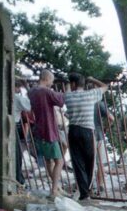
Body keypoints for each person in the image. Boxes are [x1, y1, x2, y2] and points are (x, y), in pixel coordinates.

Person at [62, 72, 108, 201]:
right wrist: (93, 79)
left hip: (73, 131)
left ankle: (84, 193)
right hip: (87, 131)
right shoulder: (91, 95)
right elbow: (105, 86)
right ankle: (89, 188)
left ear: (73, 84)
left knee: (78, 163)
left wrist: (67, 85)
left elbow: (67, 91)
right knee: (90, 161)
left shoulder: (68, 96)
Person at [27, 69, 66, 198]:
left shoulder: (32, 91)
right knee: (59, 161)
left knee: (48, 161)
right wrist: (64, 91)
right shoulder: (47, 91)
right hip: (49, 130)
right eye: (52, 80)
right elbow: (60, 102)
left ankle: (56, 187)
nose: (52, 83)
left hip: (39, 129)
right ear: (47, 79)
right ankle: (54, 190)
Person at [11, 77, 31, 186]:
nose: (19, 90)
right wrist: (27, 87)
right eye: (18, 87)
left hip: (1, 126)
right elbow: (30, 105)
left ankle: (16, 178)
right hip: (13, 125)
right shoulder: (16, 98)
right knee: (17, 156)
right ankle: (18, 180)